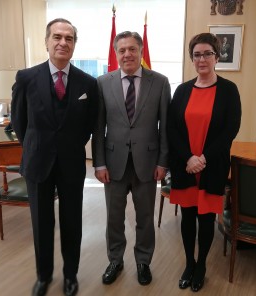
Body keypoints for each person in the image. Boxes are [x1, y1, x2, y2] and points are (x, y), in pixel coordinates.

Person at [11, 18, 97, 296]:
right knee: (41, 223)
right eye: (57, 37)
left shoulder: (88, 83)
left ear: (74, 44)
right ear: (46, 42)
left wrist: (70, 147)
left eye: (69, 38)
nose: (63, 42)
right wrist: (35, 147)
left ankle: (70, 275)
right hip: (38, 163)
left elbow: (89, 125)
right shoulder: (26, 78)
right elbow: (20, 122)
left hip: (72, 163)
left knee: (72, 222)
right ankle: (43, 276)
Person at [92, 31, 171, 287]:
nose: (127, 54)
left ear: (140, 51)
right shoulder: (103, 82)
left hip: (147, 164)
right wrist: (99, 162)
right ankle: (115, 259)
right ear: (116, 54)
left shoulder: (159, 82)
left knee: (145, 218)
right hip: (113, 164)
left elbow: (165, 127)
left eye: (132, 49)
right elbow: (98, 127)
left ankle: (143, 262)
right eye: (122, 50)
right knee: (114, 218)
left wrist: (162, 162)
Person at [167, 32, 241, 292]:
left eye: (207, 53)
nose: (202, 59)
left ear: (216, 57)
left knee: (206, 219)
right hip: (185, 165)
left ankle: (202, 266)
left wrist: (203, 158)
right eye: (196, 54)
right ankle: (189, 263)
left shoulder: (229, 90)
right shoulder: (182, 90)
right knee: (188, 217)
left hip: (212, 165)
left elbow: (231, 129)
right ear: (192, 58)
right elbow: (172, 129)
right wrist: (189, 158)